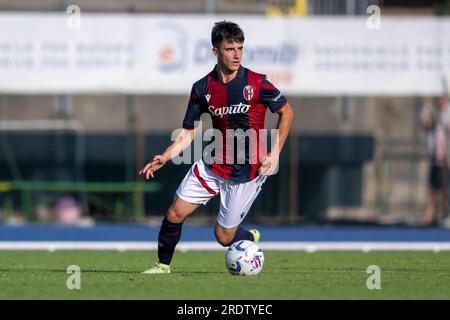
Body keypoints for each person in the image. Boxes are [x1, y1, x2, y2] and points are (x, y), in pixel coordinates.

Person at [139, 21, 294, 273]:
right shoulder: (202, 88)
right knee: (175, 213)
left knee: (223, 236)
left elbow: (286, 112)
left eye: (240, 48)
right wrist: (165, 156)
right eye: (230, 49)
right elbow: (188, 131)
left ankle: (248, 235)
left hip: (246, 171)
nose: (236, 55)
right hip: (213, 165)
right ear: (216, 51)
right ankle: (162, 266)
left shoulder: (257, 82)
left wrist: (275, 151)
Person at [420, 98, 444, 225]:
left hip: (441, 160)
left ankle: (438, 214)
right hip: (435, 160)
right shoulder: (434, 117)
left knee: (441, 189)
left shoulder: (443, 118)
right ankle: (431, 214)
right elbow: (425, 123)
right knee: (432, 189)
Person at [435, 95, 450, 228]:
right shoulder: (441, 113)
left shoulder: (448, 113)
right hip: (443, 154)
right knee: (445, 186)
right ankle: (446, 213)